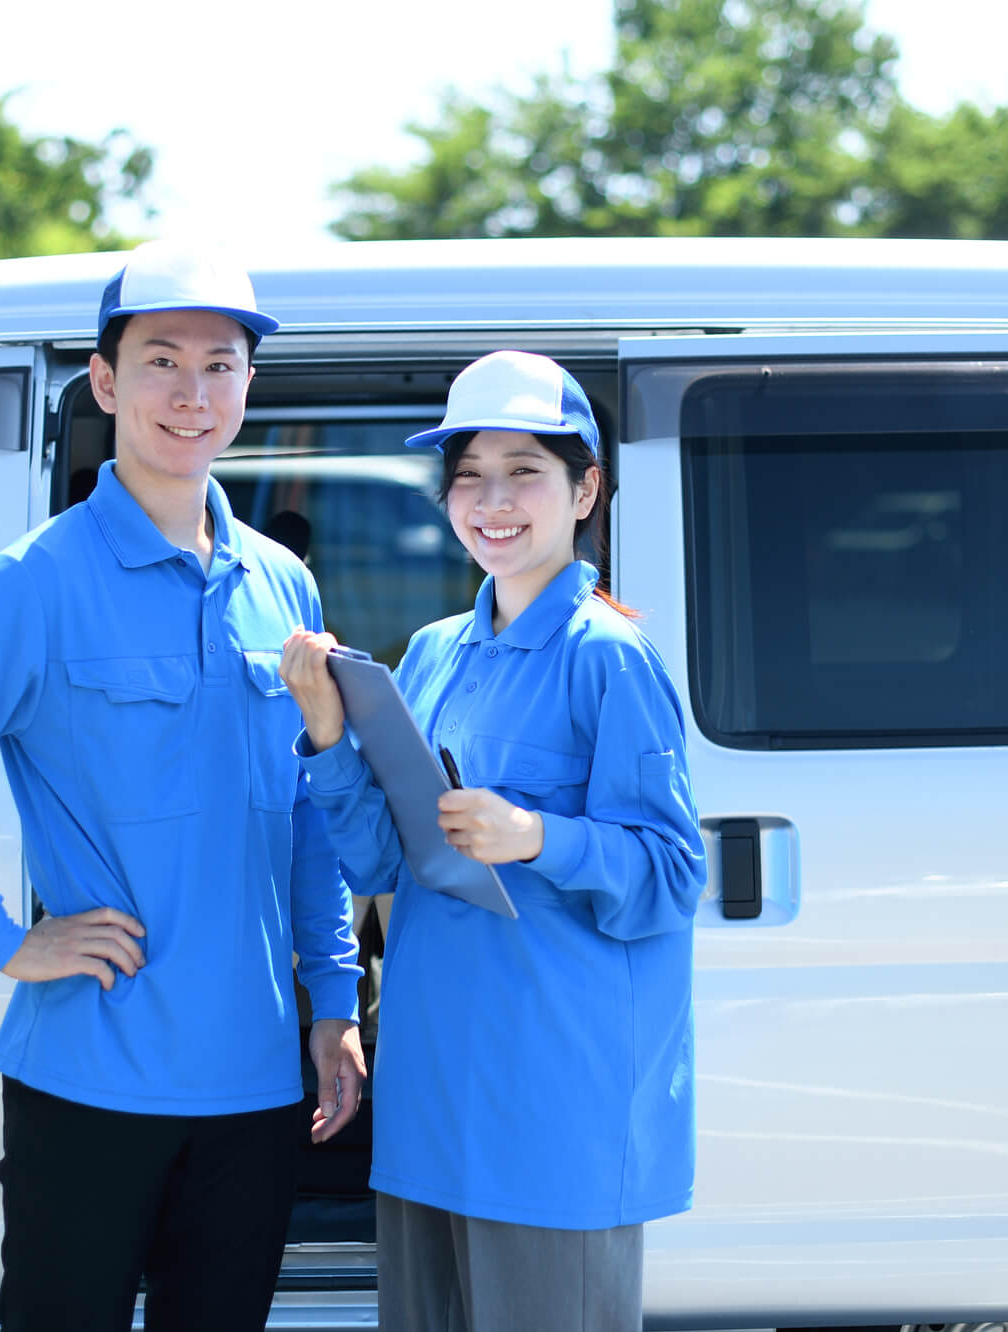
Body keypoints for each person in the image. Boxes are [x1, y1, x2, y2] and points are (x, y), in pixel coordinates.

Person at [0, 243, 366, 1331]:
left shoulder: (283, 582)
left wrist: (331, 1003)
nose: (192, 394)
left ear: (247, 387)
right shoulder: (34, 582)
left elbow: (310, 814)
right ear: (104, 381)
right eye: (160, 361)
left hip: (253, 1082)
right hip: (90, 1074)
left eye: (220, 365)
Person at [279, 350, 706, 1332]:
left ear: (585, 487)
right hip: (432, 1097)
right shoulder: (430, 653)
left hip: (553, 1105)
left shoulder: (608, 657)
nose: (492, 500)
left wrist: (535, 836)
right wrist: (330, 740)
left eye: (525, 471)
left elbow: (671, 875)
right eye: (469, 475)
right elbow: (382, 863)